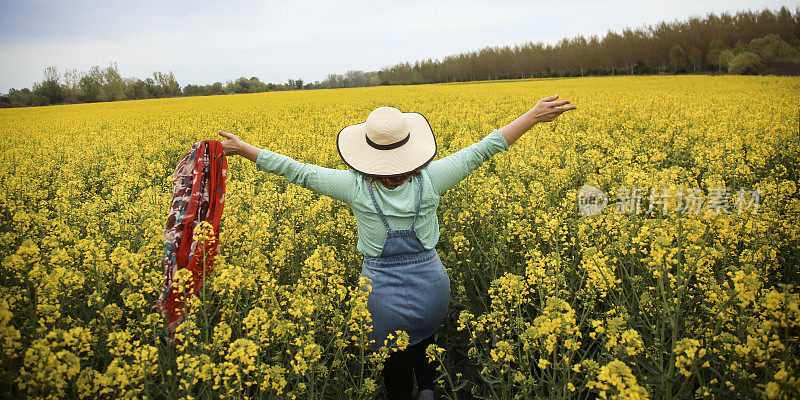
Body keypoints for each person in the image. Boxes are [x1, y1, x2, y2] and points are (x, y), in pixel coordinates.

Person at [219, 94, 576, 400]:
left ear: (367, 154)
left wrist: (242, 148)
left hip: (381, 295)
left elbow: (296, 171)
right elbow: (484, 149)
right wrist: (532, 115)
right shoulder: (433, 178)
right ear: (411, 150)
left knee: (394, 364)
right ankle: (429, 390)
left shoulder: (355, 187)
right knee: (426, 340)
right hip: (432, 288)